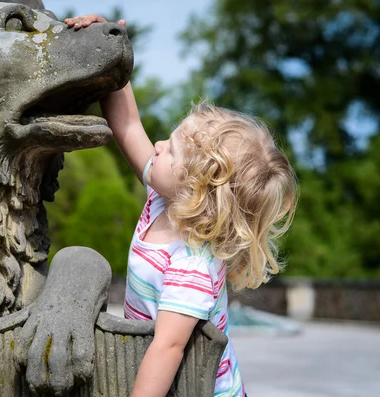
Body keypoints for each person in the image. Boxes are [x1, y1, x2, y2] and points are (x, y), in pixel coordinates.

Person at [65, 15, 298, 397]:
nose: (157, 146)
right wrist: (107, 46)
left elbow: (168, 348)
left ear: (196, 188)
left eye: (170, 150)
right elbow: (129, 125)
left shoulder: (192, 264)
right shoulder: (164, 200)